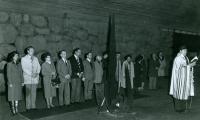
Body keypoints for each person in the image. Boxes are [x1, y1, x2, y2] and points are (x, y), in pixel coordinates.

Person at [169, 46, 196, 113]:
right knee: (178, 93)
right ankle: (178, 109)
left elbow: (186, 65)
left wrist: (191, 64)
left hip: (185, 79)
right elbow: (179, 68)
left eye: (186, 50)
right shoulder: (178, 58)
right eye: (184, 50)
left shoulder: (186, 58)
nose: (185, 52)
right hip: (179, 79)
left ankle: (183, 108)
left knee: (184, 93)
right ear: (180, 51)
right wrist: (190, 65)